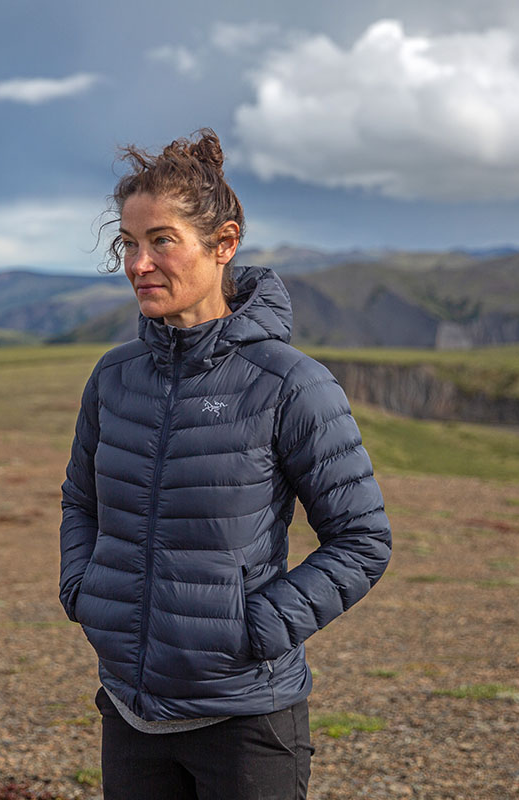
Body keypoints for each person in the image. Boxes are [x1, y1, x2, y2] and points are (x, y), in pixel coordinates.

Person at [59, 128, 392, 799]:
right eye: (129, 242)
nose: (138, 263)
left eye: (161, 241)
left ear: (224, 244)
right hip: (130, 709)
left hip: (245, 721)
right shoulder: (114, 377)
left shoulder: (291, 384)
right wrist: (82, 589)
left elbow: (363, 540)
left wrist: (257, 629)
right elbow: (81, 499)